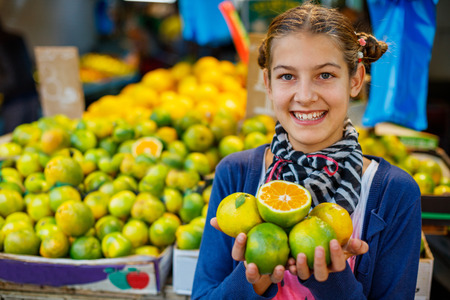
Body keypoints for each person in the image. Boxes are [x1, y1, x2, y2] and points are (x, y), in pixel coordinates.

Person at [192, 3, 422, 300]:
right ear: (268, 84)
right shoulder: (234, 175)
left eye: (325, 75)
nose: (305, 96)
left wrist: (332, 282)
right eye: (287, 76)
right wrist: (252, 279)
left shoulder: (395, 193)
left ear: (354, 80)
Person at [0, 17, 41, 134]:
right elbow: (31, 63)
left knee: (17, 138)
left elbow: (11, 79)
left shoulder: (2, 43)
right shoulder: (17, 37)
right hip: (31, 94)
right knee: (32, 136)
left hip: (14, 102)